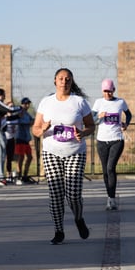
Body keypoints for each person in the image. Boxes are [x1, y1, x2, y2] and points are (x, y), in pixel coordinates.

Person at [32, 68, 95, 245]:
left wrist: (83, 133)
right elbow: (35, 129)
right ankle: (58, 230)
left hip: (75, 152)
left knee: (73, 194)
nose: (64, 81)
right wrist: (42, 129)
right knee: (55, 193)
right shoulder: (46, 102)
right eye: (61, 78)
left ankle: (79, 218)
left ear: (71, 81)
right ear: (55, 81)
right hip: (51, 151)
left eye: (68, 79)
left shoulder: (79, 102)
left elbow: (91, 126)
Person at [92, 79, 132, 210]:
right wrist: (99, 116)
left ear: (113, 90)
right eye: (105, 91)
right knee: (105, 171)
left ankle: (112, 199)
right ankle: (109, 197)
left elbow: (129, 114)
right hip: (102, 141)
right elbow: (91, 119)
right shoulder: (98, 103)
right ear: (102, 91)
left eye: (109, 91)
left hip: (116, 140)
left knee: (110, 168)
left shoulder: (120, 102)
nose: (107, 93)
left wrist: (126, 124)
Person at [0, 88, 22, 184]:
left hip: (1, 131)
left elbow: (8, 116)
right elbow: (9, 109)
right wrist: (20, 107)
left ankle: (0, 176)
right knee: (0, 154)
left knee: (2, 155)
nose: (5, 96)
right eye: (3, 94)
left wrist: (17, 116)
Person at [15, 97, 34, 185]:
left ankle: (25, 175)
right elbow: (20, 121)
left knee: (29, 157)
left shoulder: (27, 113)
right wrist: (29, 123)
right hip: (20, 137)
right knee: (20, 157)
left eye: (28, 104)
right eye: (25, 104)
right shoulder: (20, 112)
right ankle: (19, 175)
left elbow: (31, 120)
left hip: (26, 138)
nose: (27, 105)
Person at [3, 101, 18, 183]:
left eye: (12, 106)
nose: (11, 108)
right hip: (5, 138)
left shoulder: (14, 118)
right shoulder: (4, 117)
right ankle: (1, 175)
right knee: (2, 157)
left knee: (10, 158)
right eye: (9, 106)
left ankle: (9, 174)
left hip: (12, 139)